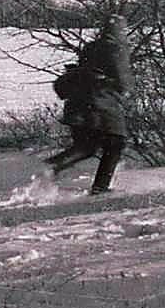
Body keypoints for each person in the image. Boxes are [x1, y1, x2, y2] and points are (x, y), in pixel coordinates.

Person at [45, 14, 133, 195]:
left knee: (86, 146)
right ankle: (100, 187)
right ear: (120, 31)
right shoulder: (116, 49)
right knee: (116, 142)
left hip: (78, 103)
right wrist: (125, 90)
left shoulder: (91, 47)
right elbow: (123, 80)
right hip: (101, 103)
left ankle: (50, 167)